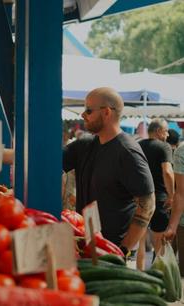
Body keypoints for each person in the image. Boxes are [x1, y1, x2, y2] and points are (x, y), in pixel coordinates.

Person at [63, 87, 155, 254]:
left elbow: (148, 204)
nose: (83, 115)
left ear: (106, 112)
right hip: (84, 245)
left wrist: (122, 250)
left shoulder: (127, 152)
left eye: (88, 110)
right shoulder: (85, 145)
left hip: (110, 251)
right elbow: (46, 160)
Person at [136, 119, 174, 269]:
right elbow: (167, 171)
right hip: (159, 200)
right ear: (158, 131)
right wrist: (171, 196)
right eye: (165, 131)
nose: (167, 135)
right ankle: (159, 276)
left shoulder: (138, 145)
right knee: (159, 242)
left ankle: (139, 274)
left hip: (139, 198)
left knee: (140, 240)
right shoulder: (164, 147)